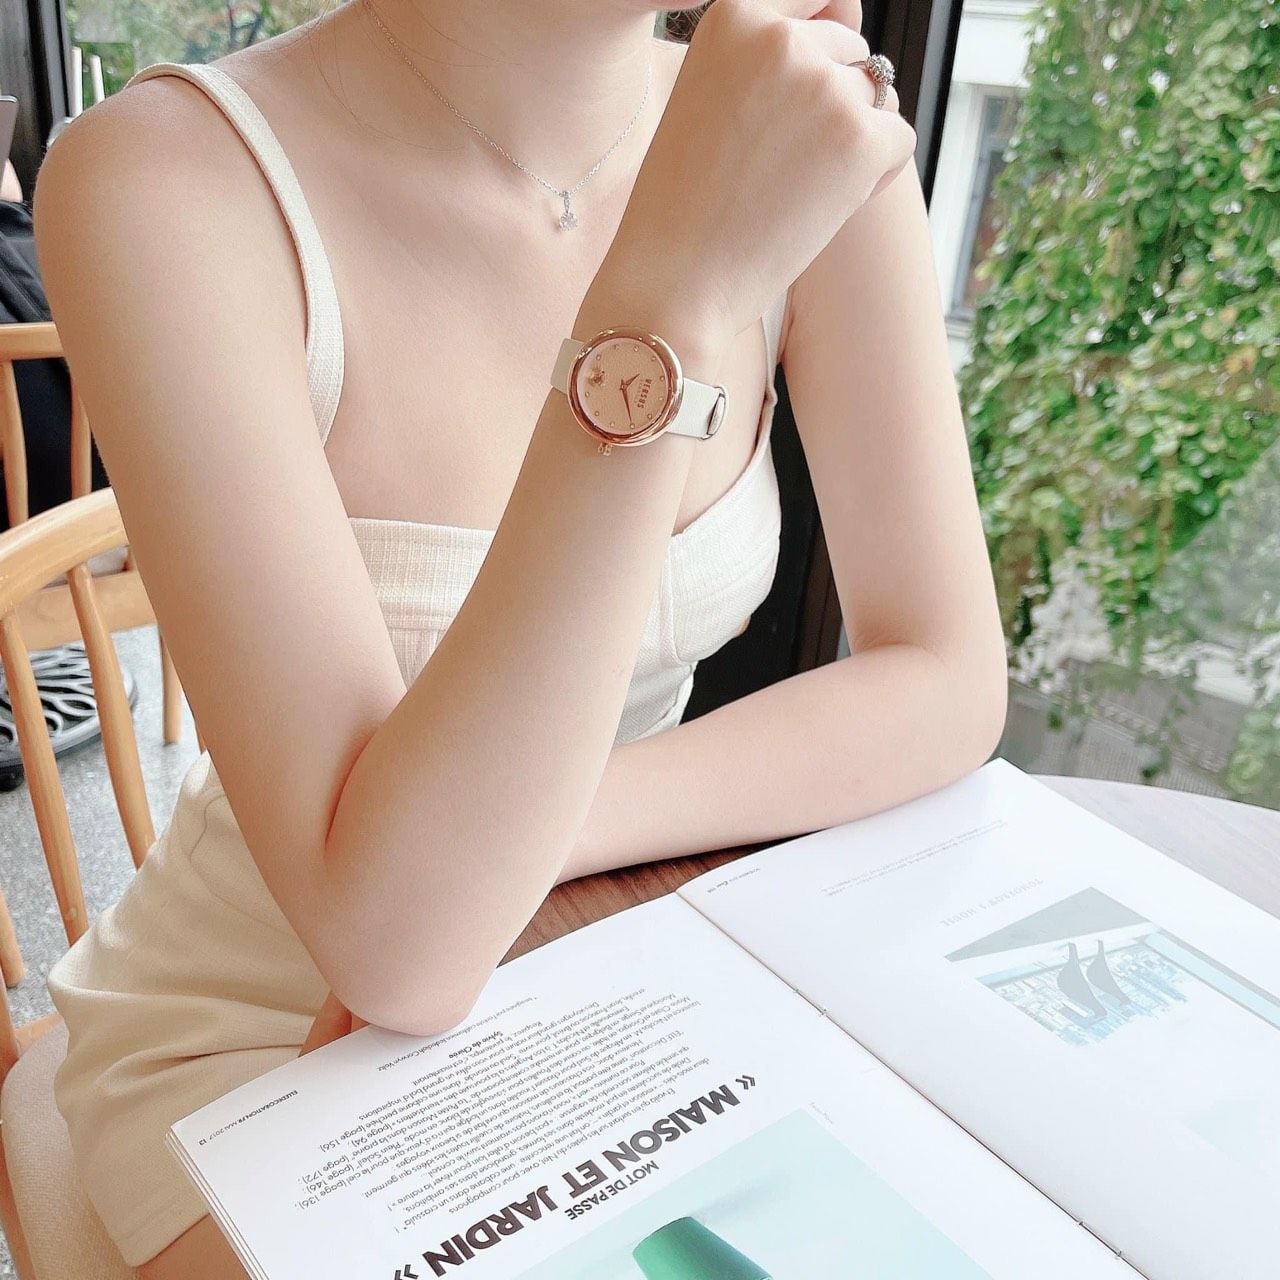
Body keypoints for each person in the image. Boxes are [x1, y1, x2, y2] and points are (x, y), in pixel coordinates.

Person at [33, 0, 1007, 1275]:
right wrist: (673, 288)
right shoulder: (162, 178)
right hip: (266, 1032)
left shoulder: (794, 125)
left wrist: (533, 837)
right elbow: (397, 950)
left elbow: (944, 676)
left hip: (600, 956)